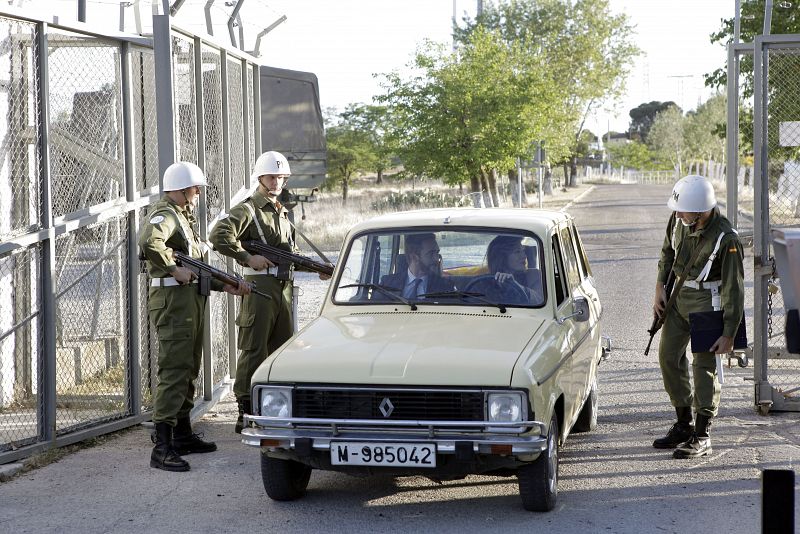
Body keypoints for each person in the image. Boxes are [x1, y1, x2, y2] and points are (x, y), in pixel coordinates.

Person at [139, 161, 249, 472]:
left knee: (188, 368)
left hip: (189, 302)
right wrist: (173, 268)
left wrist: (226, 285)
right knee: (175, 370)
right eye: (194, 187)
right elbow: (149, 242)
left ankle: (182, 434)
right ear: (181, 188)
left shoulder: (183, 218)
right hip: (174, 303)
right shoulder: (165, 215)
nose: (198, 192)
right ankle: (161, 447)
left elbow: (197, 271)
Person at [209, 150, 328, 433]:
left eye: (281, 177)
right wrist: (247, 258)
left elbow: (291, 253)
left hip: (282, 288)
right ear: (260, 177)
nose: (276, 181)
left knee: (281, 349)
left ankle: (275, 406)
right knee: (254, 349)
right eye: (271, 176)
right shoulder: (248, 208)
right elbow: (218, 236)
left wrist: (318, 269)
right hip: (259, 287)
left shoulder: (282, 212)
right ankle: (245, 409)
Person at [652, 175, 744, 459]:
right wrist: (659, 287)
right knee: (668, 356)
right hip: (677, 299)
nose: (677, 214)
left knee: (704, 368)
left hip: (708, 304)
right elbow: (667, 253)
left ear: (702, 210)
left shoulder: (726, 238)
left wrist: (729, 332)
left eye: (683, 210)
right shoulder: (678, 220)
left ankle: (702, 435)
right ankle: (683, 424)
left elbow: (734, 288)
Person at [380, 233, 455, 297]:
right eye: (431, 253)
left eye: (437, 252)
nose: (436, 259)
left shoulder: (445, 287)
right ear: (414, 257)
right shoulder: (387, 284)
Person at [486, 235, 545, 305]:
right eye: (517, 252)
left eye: (523, 251)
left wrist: (515, 285)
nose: (524, 256)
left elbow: (539, 300)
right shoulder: (486, 280)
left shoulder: (534, 275)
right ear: (502, 257)